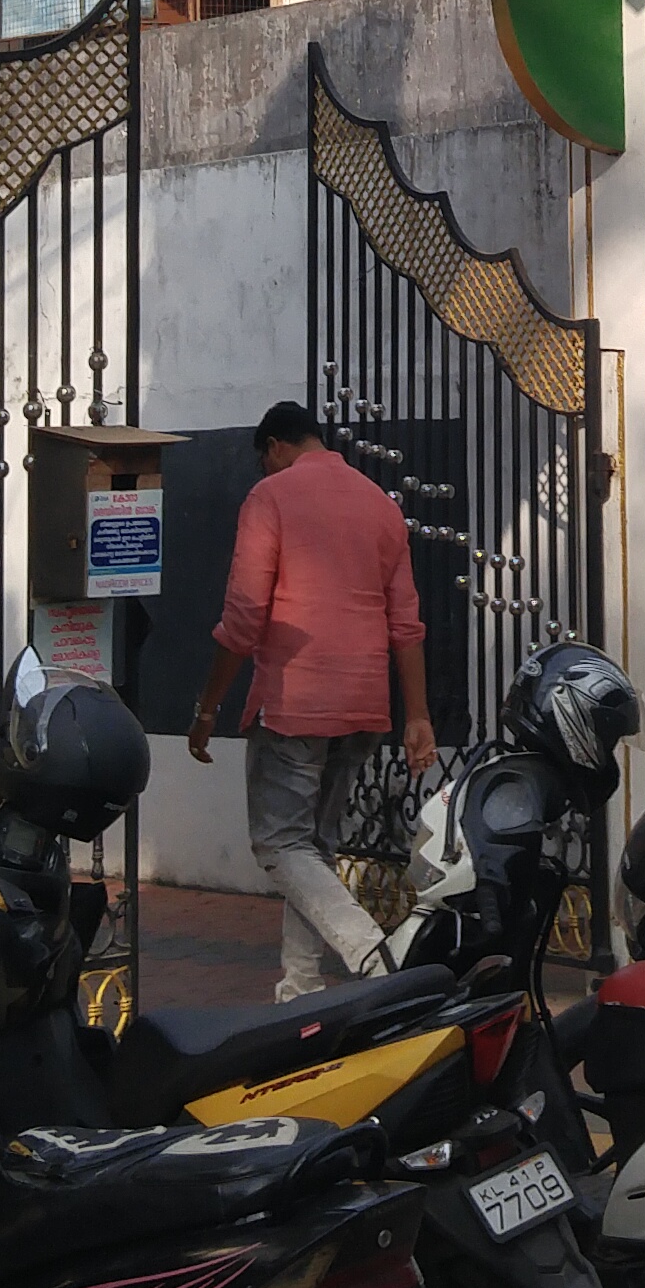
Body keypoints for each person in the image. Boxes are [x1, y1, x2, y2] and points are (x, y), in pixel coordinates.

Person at [189, 403, 437, 992]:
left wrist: (207, 708)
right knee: (313, 851)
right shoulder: (381, 505)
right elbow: (406, 623)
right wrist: (419, 715)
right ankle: (299, 990)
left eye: (262, 460)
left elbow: (244, 619)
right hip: (363, 706)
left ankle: (370, 952)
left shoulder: (270, 497)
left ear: (274, 446)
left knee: (279, 845)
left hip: (294, 703)